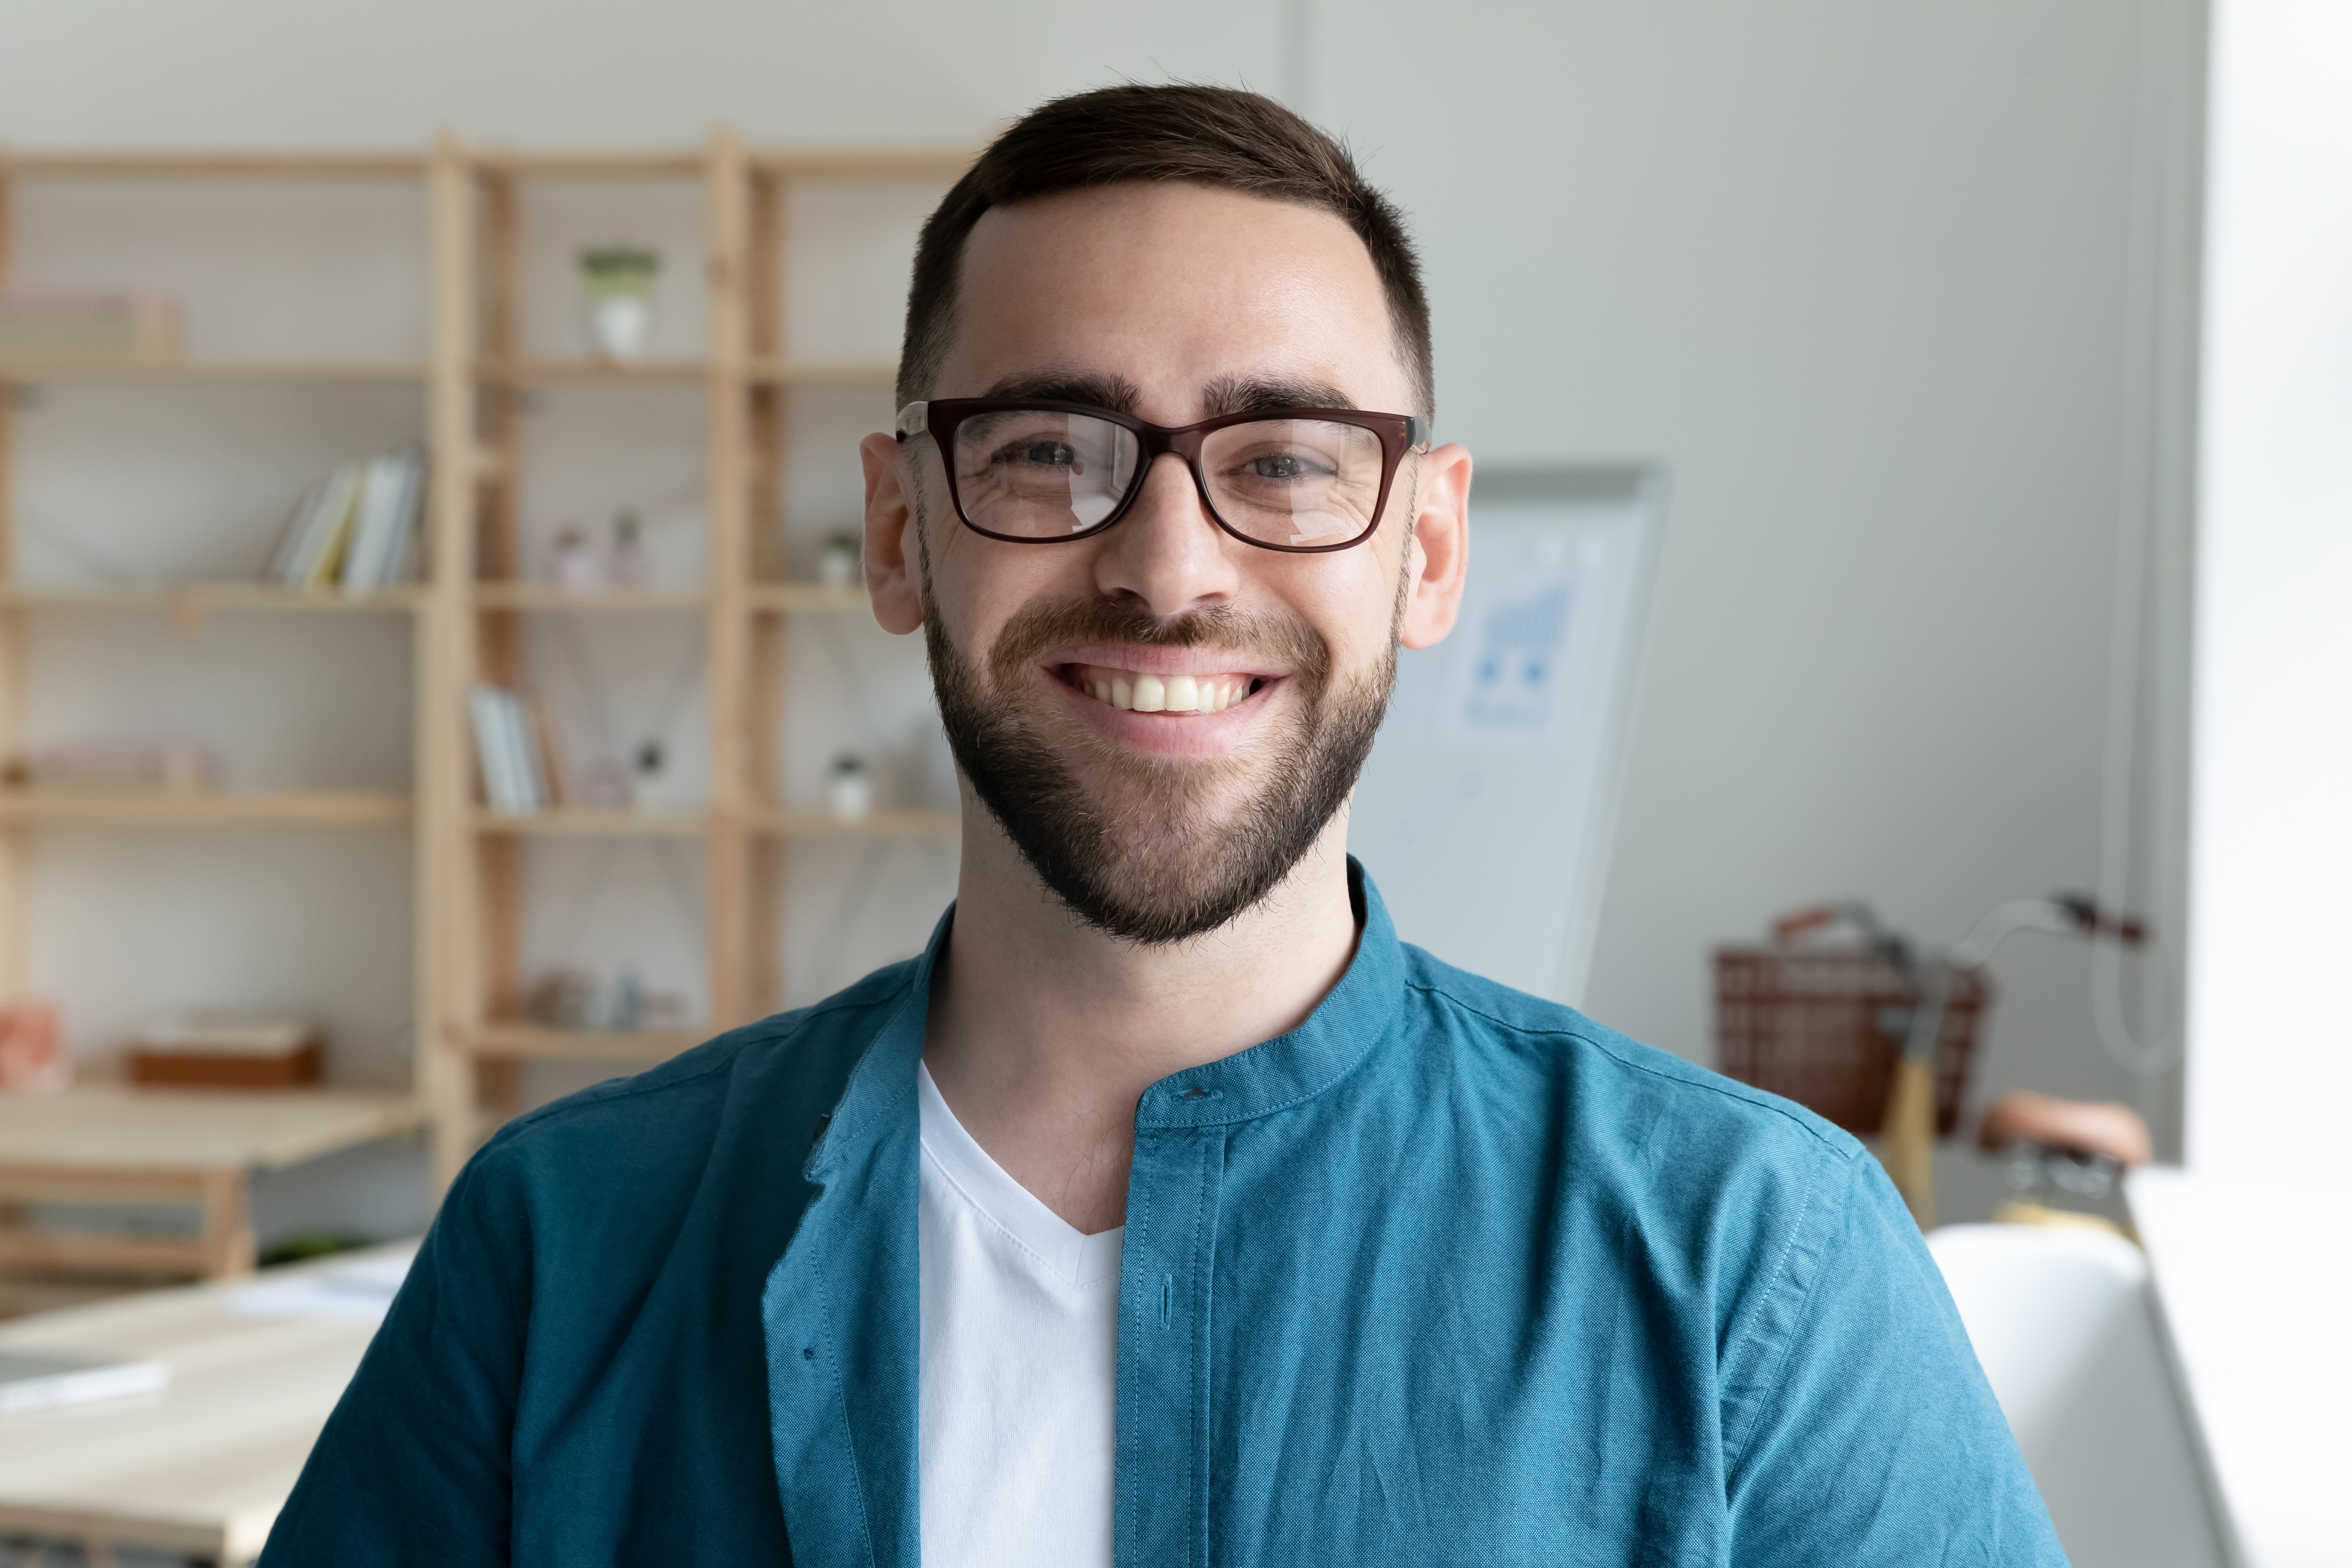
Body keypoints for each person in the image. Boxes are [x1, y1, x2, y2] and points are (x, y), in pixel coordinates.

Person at [263, 84, 2063, 1567]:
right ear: (900, 532)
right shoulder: (564, 1244)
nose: (1167, 569)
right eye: (1050, 448)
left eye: (1283, 459)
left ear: (1426, 551)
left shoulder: (1756, 1265)